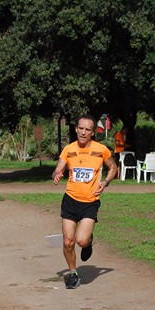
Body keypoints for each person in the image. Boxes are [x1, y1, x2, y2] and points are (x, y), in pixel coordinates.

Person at [52, 114, 117, 289]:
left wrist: (105, 182)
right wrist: (57, 174)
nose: (83, 132)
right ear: (76, 129)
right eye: (81, 128)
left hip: (90, 202)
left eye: (87, 129)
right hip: (70, 200)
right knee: (68, 242)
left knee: (81, 241)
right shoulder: (69, 149)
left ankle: (88, 242)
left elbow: (113, 167)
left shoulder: (101, 149)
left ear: (93, 133)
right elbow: (58, 168)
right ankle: (73, 273)